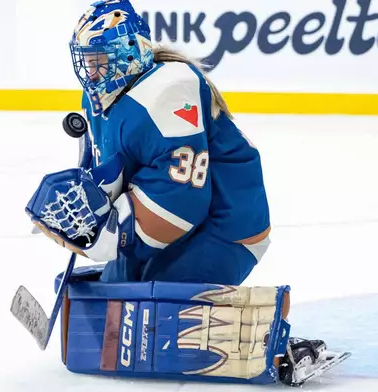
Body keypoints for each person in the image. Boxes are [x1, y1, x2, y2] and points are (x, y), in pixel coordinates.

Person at [24, 0, 344, 386]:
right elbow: (116, 168)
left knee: (162, 325)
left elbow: (183, 204)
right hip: (180, 225)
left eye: (101, 60)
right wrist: (84, 207)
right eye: (87, 61)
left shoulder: (170, 90)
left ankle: (282, 348)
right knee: (117, 300)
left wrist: (106, 234)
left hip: (225, 226)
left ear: (129, 54)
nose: (92, 72)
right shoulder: (99, 98)